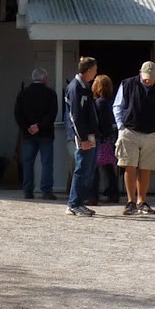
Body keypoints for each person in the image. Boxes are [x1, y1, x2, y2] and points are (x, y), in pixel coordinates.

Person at [113, 61, 155, 216]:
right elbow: (118, 106)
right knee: (129, 165)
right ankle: (130, 201)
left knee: (146, 168)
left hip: (153, 133)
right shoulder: (127, 84)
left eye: (151, 78)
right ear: (140, 72)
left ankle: (142, 201)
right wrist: (121, 126)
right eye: (145, 77)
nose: (147, 80)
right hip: (130, 131)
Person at [62, 56, 100, 217]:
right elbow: (75, 116)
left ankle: (79, 202)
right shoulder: (76, 88)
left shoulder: (83, 87)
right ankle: (74, 204)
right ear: (89, 70)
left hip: (89, 135)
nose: (96, 73)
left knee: (87, 169)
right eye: (95, 70)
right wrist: (83, 138)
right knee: (82, 168)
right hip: (82, 137)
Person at [13, 68, 58, 199]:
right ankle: (46, 191)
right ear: (44, 79)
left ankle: (28, 190)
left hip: (28, 135)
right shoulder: (51, 94)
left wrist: (28, 127)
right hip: (46, 133)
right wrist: (39, 126)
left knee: (27, 163)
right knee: (47, 163)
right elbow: (52, 114)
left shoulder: (23, 94)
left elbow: (18, 114)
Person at [91, 73, 120, 204]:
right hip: (110, 138)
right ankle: (113, 193)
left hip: (102, 138)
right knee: (109, 168)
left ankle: (93, 196)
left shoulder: (99, 103)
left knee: (95, 169)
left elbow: (101, 122)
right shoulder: (111, 102)